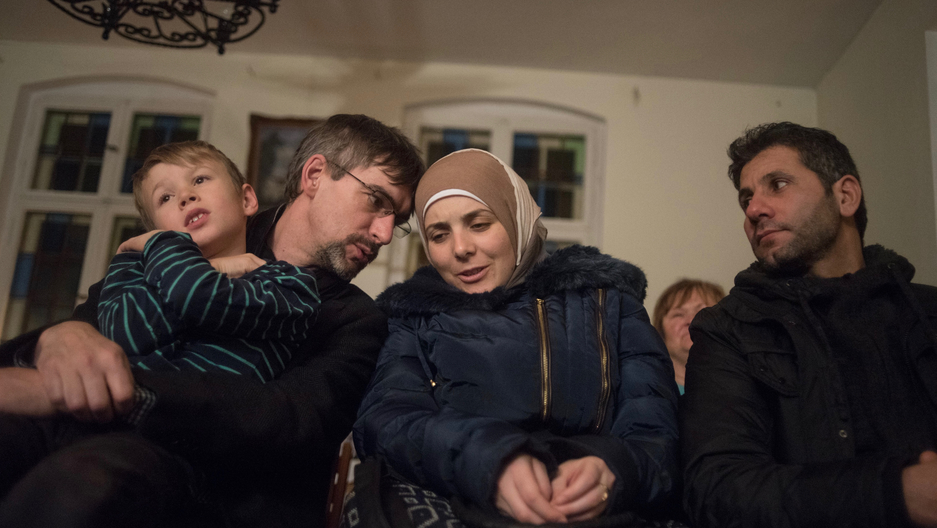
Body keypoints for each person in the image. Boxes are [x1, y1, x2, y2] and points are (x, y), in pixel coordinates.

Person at [0, 114, 425, 528]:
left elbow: (285, 418)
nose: (385, 234)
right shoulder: (207, 225)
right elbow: (100, 317)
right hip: (79, 427)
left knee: (83, 484)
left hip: (219, 494)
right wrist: (63, 334)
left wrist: (116, 391)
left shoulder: (358, 321)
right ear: (315, 175)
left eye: (398, 221)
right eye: (376, 200)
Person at [351, 149, 679, 526]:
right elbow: (387, 424)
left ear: (516, 217)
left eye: (478, 224)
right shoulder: (414, 318)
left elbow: (658, 436)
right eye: (440, 234)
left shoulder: (609, 301)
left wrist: (615, 470)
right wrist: (488, 462)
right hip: (461, 508)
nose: (461, 248)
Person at [681, 122, 937, 528]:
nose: (753, 210)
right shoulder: (726, 330)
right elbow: (716, 491)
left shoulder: (929, 312)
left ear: (846, 196)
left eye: (777, 185)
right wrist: (897, 492)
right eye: (746, 198)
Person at [652, 279, 724, 394]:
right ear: (661, 332)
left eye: (703, 311)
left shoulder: (749, 387)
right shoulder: (650, 391)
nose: (691, 321)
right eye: (678, 314)